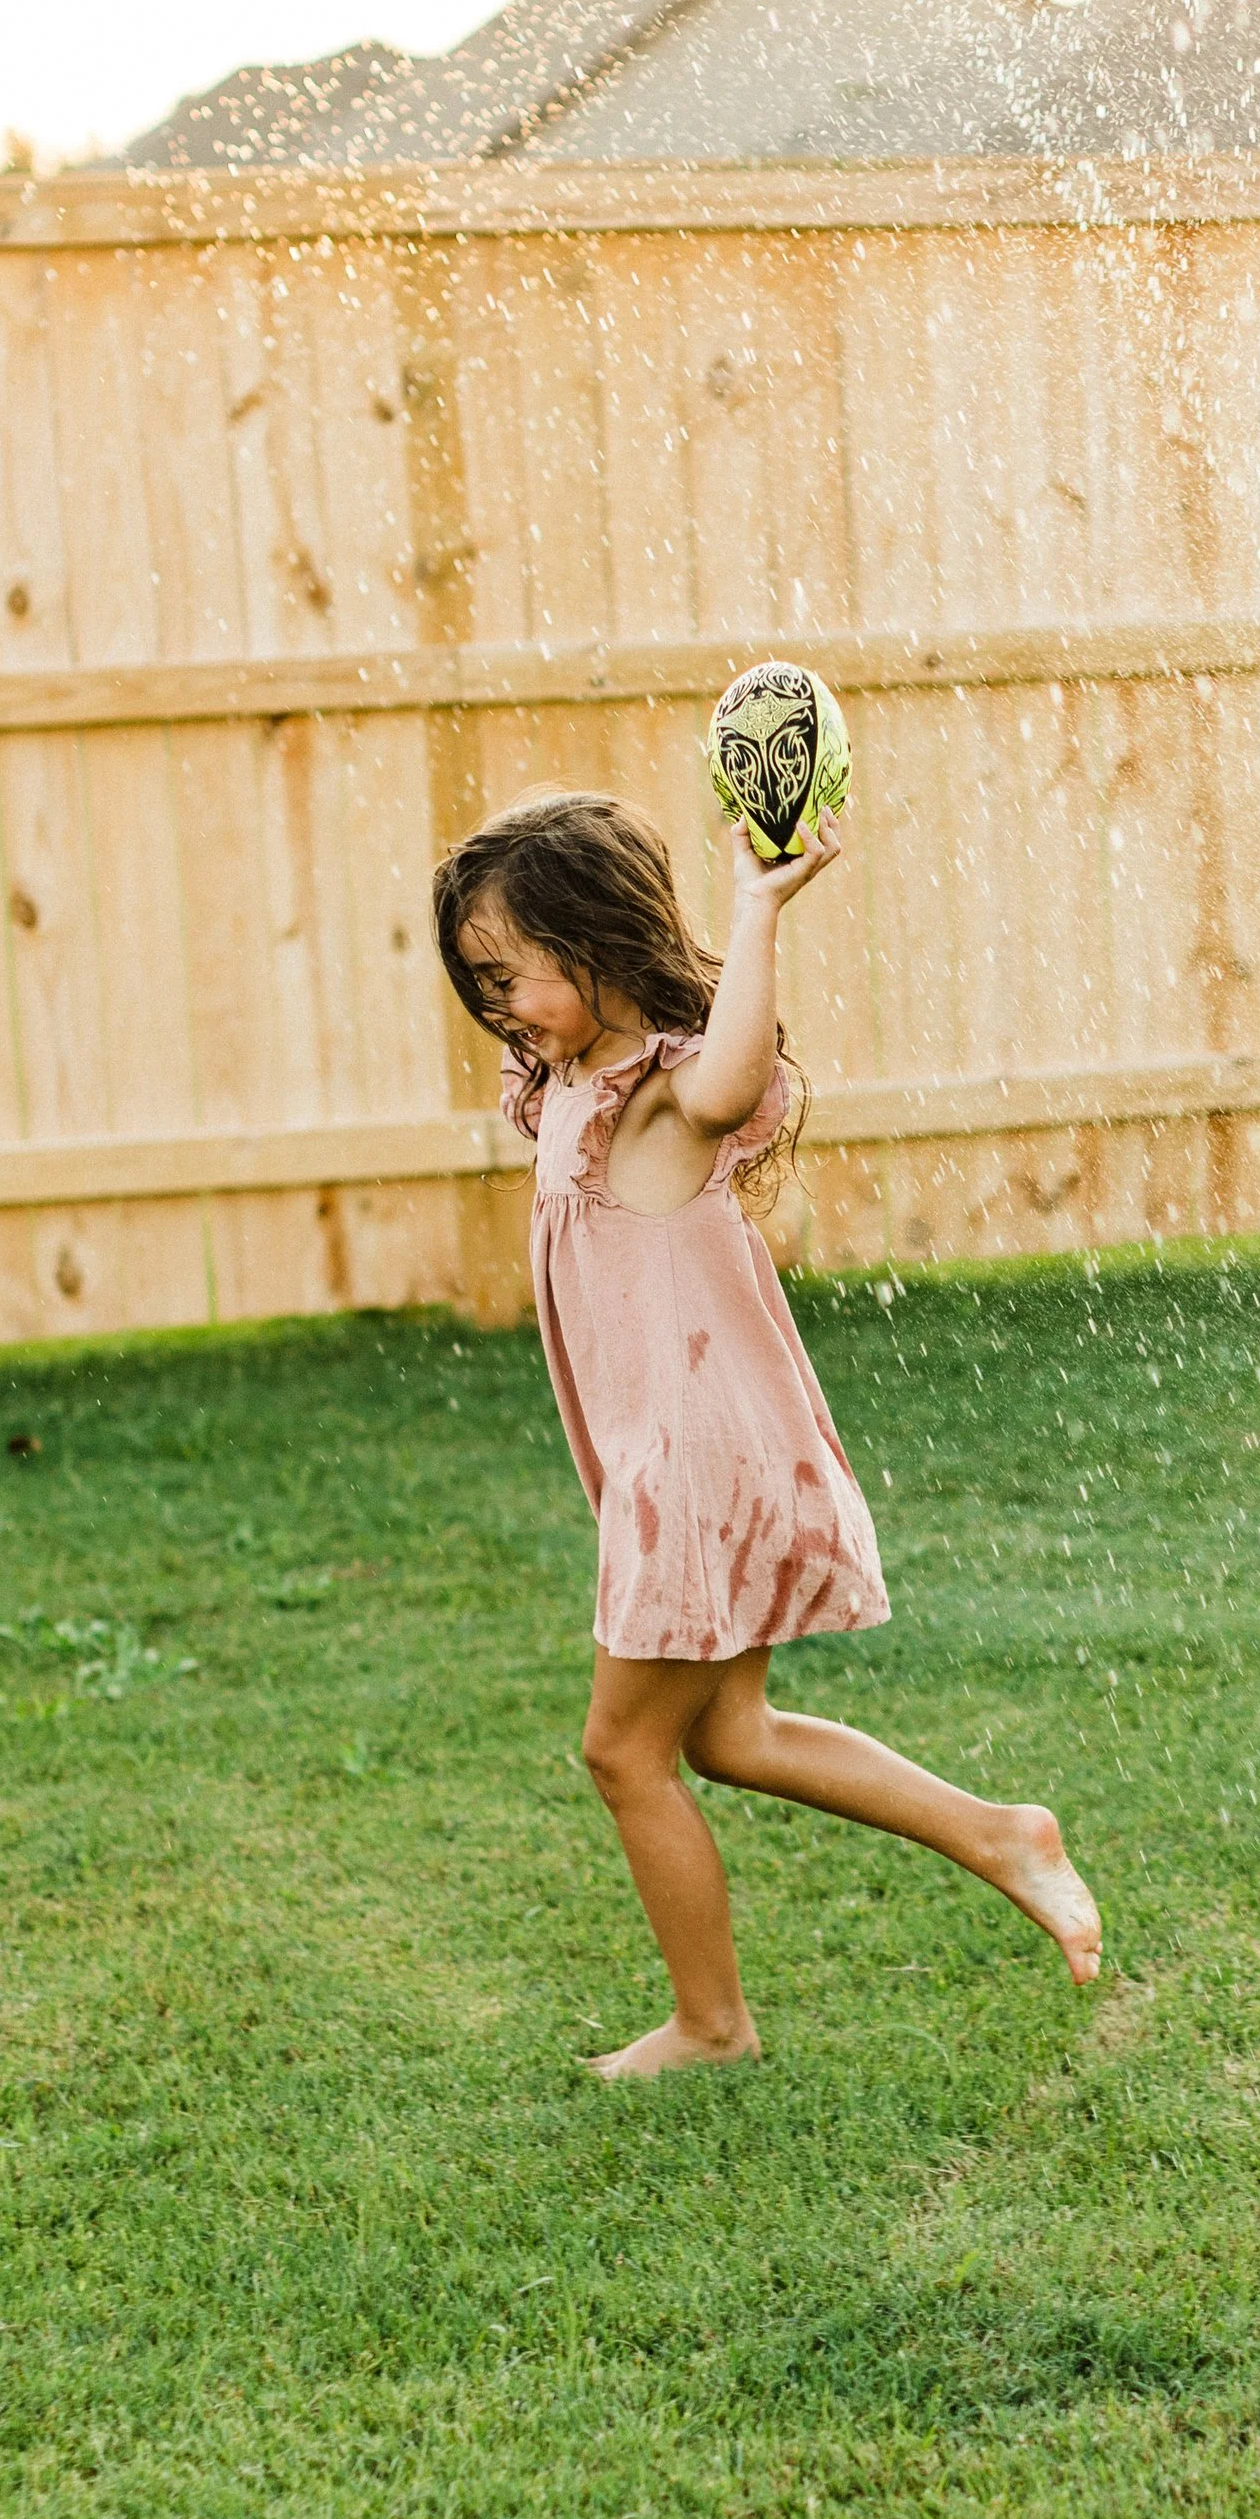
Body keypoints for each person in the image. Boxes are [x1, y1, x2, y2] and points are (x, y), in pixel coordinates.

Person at [431, 788, 1101, 2076]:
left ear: (593, 939)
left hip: (700, 1469)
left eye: (509, 973)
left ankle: (712, 2026)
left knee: (622, 1751)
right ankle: (1003, 1834)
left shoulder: (661, 1094)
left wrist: (757, 903)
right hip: (681, 1460)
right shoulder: (569, 1080)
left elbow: (731, 1074)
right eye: (480, 983)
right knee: (729, 1737)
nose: (497, 1004)